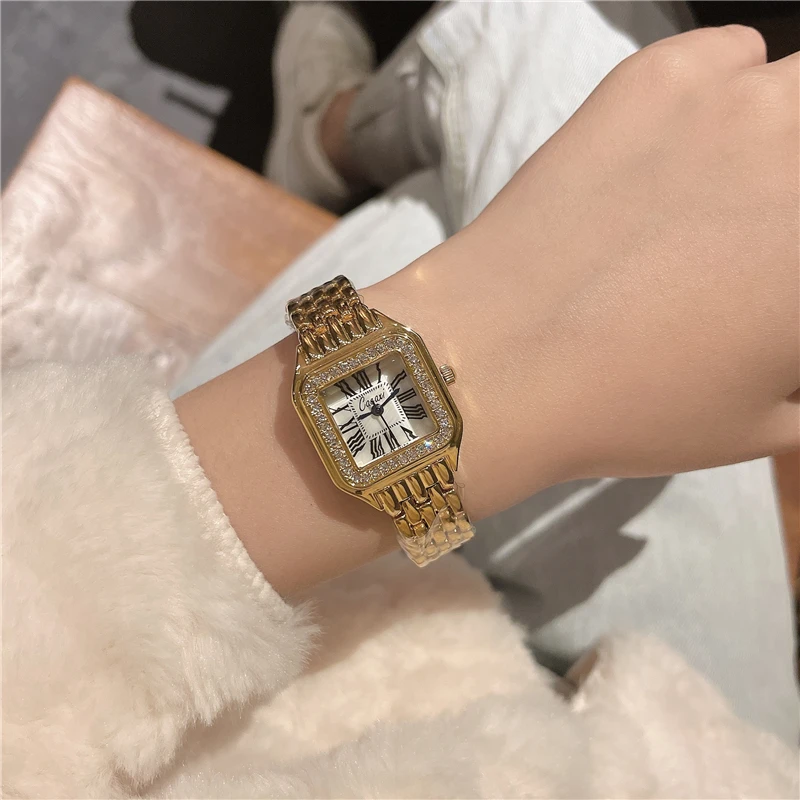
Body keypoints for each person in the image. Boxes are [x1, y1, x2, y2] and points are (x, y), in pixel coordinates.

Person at [4, 2, 798, 797]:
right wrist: (495, 352)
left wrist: (483, 333)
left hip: (450, 716)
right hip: (689, 744)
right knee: (549, 90)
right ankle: (333, 139)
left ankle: (329, 135)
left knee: (538, 41)